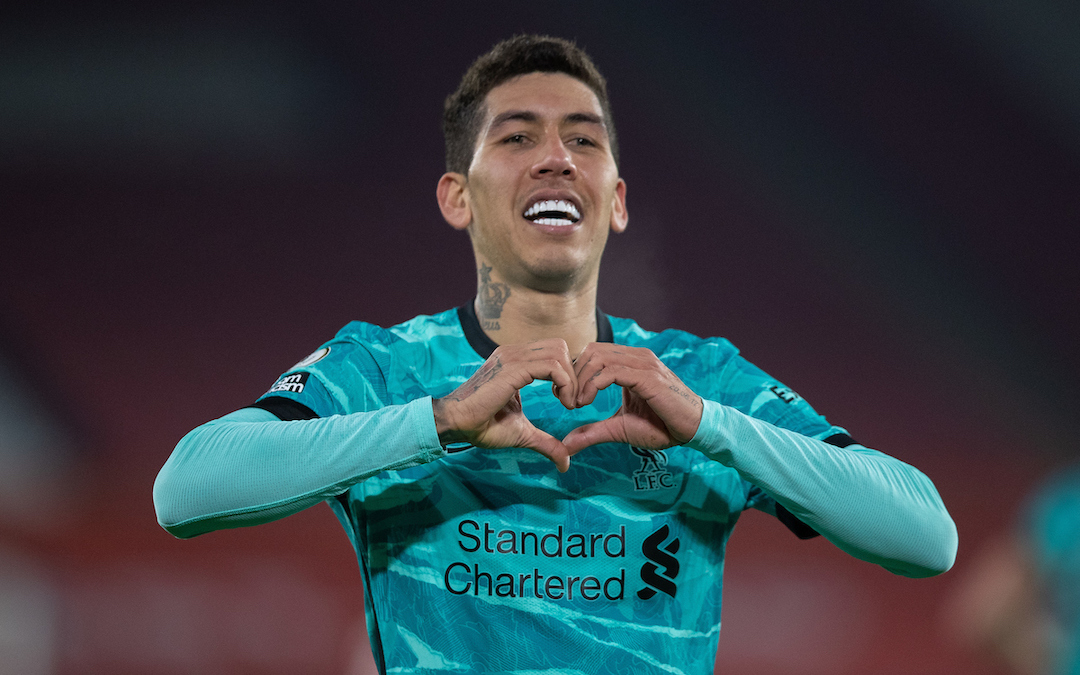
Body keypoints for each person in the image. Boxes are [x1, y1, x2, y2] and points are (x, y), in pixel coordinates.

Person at [154, 35, 958, 674]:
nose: (557, 156)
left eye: (584, 139)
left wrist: (711, 427)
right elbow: (187, 487)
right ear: (457, 197)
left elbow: (927, 536)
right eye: (517, 136)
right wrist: (439, 422)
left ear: (615, 200)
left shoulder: (698, 380)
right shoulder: (385, 369)